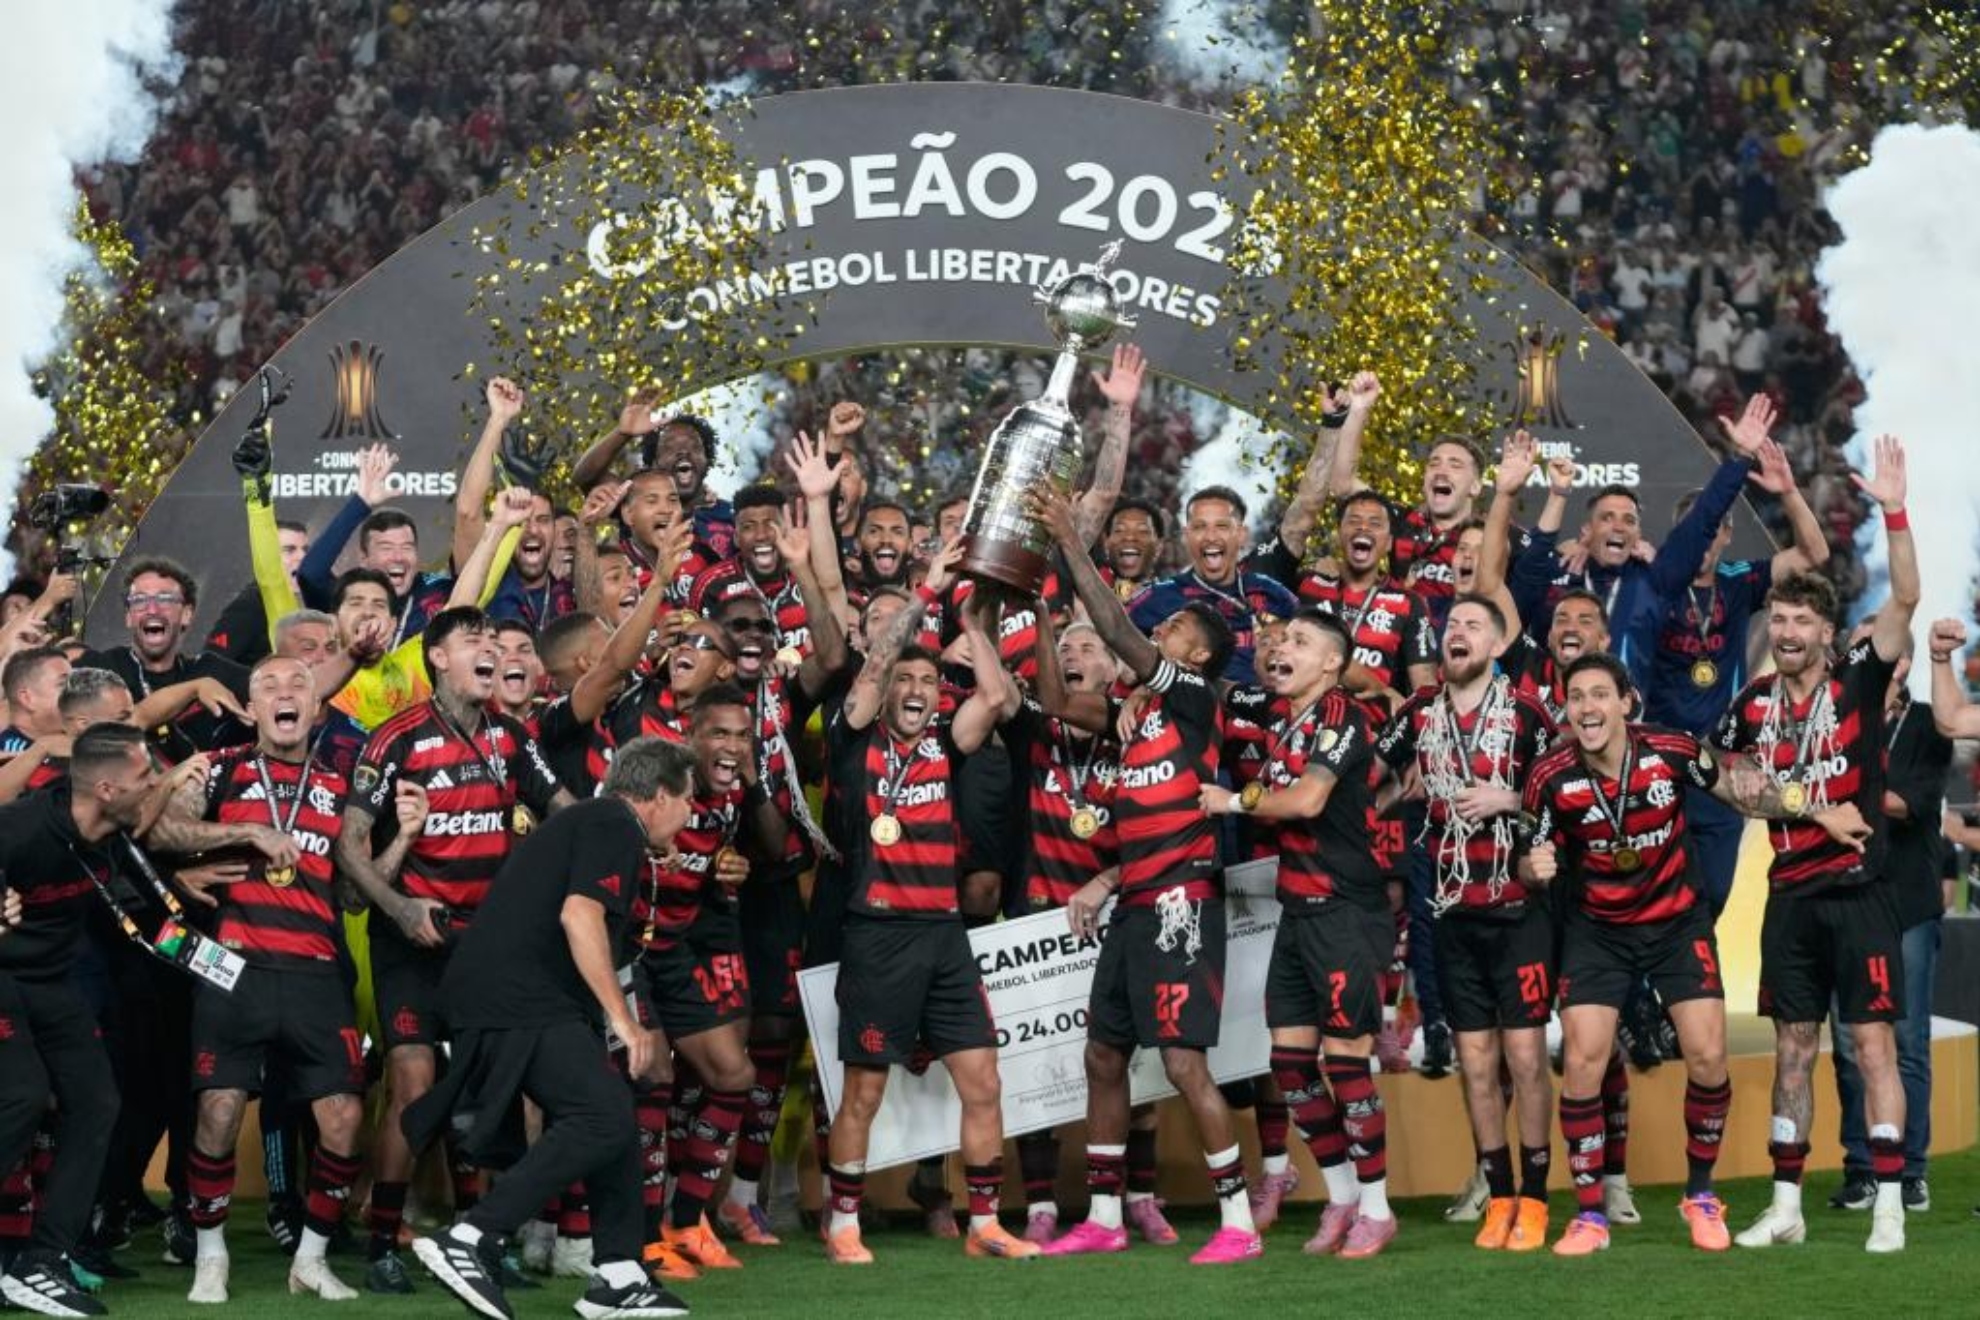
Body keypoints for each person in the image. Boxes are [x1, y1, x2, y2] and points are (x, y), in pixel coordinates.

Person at [1032, 488, 1261, 1266]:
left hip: (1182, 906)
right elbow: (1055, 699)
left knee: (1184, 1062)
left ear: (1194, 656)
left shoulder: (1193, 699)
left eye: (1173, 631)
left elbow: (1122, 637)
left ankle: (1238, 1223)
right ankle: (1103, 1216)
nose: (1160, 632)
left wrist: (1071, 542)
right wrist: (1042, 619)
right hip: (1135, 903)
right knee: (1103, 1054)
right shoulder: (1135, 714)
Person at [1523, 653, 1819, 1256]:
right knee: (1582, 1062)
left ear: (1625, 703)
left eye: (1599, 695)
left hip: (1677, 923)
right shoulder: (1548, 775)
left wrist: (1814, 809)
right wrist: (1533, 867)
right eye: (1576, 697)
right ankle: (1590, 1215)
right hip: (1597, 930)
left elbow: (1743, 793)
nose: (1587, 708)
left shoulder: (1672, 749)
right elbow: (1527, 860)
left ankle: (1701, 1195)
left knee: (1708, 1056)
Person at [405, 736, 699, 1320]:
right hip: (517, 996)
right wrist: (625, 1024)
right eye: (688, 800)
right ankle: (471, 1238)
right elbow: (579, 915)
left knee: (611, 1111)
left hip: (515, 994)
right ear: (660, 796)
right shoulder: (615, 823)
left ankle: (618, 1276)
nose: (691, 815)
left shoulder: (594, 822)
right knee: (602, 1115)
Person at [1713, 435, 1918, 1254]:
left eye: (1803, 620)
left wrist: (1894, 512)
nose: (1789, 629)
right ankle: (1786, 1205)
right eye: (1781, 618)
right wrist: (1809, 807)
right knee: (1792, 1051)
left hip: (1861, 897)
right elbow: (1728, 781)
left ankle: (1890, 1204)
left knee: (1871, 1046)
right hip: (1790, 899)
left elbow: (1905, 598)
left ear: (1828, 631)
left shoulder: (1859, 677)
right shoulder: (1753, 705)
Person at [335, 606, 575, 1293]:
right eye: (475, 641)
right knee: (414, 1083)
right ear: (438, 658)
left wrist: (610, 831)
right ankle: (383, 1241)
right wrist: (401, 908)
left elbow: (564, 809)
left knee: (493, 1086)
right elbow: (349, 847)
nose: (491, 650)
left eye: (496, 642)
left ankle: (478, 1240)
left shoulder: (511, 736)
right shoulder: (396, 737)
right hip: (410, 941)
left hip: (485, 946)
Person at [819, 564, 1038, 1265]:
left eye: (929, 683)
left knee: (984, 1080)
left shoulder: (946, 744)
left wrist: (973, 623)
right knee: (864, 1091)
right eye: (905, 681)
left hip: (945, 935)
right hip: (877, 934)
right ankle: (843, 1224)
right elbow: (872, 667)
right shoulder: (855, 741)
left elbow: (995, 696)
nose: (917, 690)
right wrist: (925, 597)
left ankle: (985, 1225)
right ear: (884, 692)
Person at [157, 657, 372, 1303]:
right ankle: (211, 1256)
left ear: (316, 707)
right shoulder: (219, 768)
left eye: (298, 684)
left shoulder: (341, 782)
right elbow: (162, 829)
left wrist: (399, 839)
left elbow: (355, 894)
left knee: (344, 1117)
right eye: (269, 686)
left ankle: (311, 1259)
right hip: (233, 968)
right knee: (218, 1110)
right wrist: (247, 829)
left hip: (315, 971)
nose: (285, 693)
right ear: (251, 709)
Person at [1200, 610, 1398, 1258]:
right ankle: (1341, 1198)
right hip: (1296, 909)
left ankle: (1377, 1209)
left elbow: (1309, 800)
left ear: (1332, 663)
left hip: (1346, 911)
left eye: (1300, 641)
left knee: (1345, 1063)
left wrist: (1234, 802)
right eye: (1281, 639)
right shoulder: (1286, 718)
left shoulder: (1341, 714)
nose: (1283, 647)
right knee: (1288, 1066)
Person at [1372, 594, 1558, 1245]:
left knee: (1525, 1059)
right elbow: (1366, 770)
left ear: (1497, 646)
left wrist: (1510, 796)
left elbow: (1566, 791)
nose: (1458, 632)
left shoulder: (1529, 713)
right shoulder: (1420, 712)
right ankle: (1500, 1195)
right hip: (1453, 913)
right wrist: (1386, 790)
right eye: (1452, 624)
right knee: (1475, 1062)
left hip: (1519, 912)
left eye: (1473, 625)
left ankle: (1536, 1199)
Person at [1127, 487, 1296, 686]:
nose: (1211, 536)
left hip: (1268, 702)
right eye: (1199, 527)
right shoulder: (1156, 598)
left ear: (1241, 535)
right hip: (1190, 702)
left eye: (1222, 526)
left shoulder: (1273, 593)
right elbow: (1116, 647)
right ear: (1186, 536)